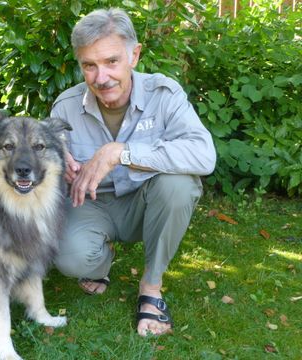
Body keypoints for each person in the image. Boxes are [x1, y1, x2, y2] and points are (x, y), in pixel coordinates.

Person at [50, 8, 216, 337]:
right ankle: (101, 261)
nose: (101, 77)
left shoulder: (164, 95)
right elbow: (47, 164)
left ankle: (151, 287)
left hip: (147, 203)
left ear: (134, 55)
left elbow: (204, 155)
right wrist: (57, 163)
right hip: (93, 205)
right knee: (70, 259)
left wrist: (121, 153)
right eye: (89, 65)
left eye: (111, 61)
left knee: (178, 185)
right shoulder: (66, 106)